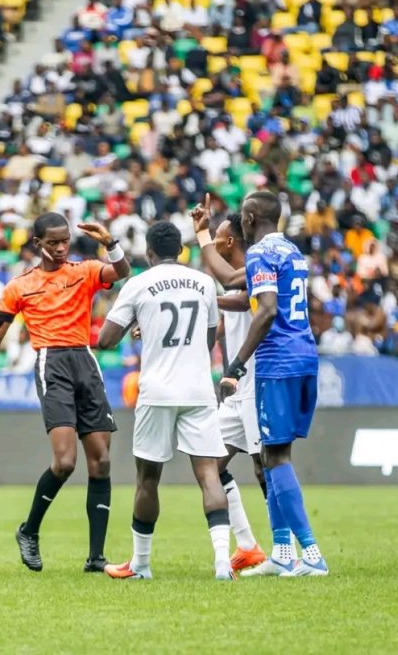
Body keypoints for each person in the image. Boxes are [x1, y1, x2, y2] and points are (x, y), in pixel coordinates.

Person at [0, 212, 130, 573]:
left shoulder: (84, 271)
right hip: (52, 364)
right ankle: (29, 531)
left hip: (85, 362)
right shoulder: (19, 287)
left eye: (65, 241)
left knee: (101, 462)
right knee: (65, 462)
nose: (61, 248)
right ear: (37, 243)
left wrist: (110, 242)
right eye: (53, 242)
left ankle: (96, 558)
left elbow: (121, 272)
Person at [193, 192, 329, 577]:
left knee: (276, 458)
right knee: (269, 458)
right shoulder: (292, 252)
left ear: (250, 219)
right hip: (304, 354)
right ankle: (282, 552)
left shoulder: (259, 254)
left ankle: (311, 554)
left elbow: (265, 308)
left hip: (277, 362)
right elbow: (241, 290)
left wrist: (236, 365)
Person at [96, 221, 233, 581]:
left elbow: (106, 340)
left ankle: (141, 564)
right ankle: (223, 562)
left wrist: (144, 327)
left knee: (147, 479)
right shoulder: (204, 282)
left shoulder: (138, 283)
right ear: (181, 251)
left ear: (149, 253)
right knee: (209, 474)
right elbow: (207, 341)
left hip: (157, 391)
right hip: (198, 390)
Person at [201, 213, 267, 572]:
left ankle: (287, 548)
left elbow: (244, 302)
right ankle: (248, 546)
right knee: (210, 465)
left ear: (230, 242)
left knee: (265, 468)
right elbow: (222, 327)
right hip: (235, 392)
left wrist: (206, 298)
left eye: (218, 237)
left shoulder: (255, 270)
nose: (214, 242)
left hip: (256, 382)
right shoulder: (231, 283)